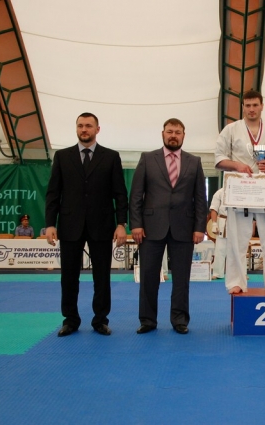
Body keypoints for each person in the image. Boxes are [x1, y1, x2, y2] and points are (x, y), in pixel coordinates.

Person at [45, 112, 128, 337]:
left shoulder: (111, 157)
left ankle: (100, 320)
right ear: (76, 128)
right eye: (80, 125)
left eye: (89, 126)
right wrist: (50, 224)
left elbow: (120, 194)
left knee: (102, 277)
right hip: (69, 224)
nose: (84, 129)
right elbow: (53, 193)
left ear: (97, 129)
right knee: (68, 276)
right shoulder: (62, 156)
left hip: (102, 224)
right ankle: (70, 320)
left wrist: (121, 223)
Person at [129, 118, 207, 335]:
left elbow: (200, 198)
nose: (173, 135)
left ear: (184, 135)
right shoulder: (147, 159)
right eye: (170, 131)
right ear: (163, 133)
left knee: (181, 278)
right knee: (148, 276)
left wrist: (200, 227)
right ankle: (147, 320)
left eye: (178, 132)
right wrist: (136, 224)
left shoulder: (194, 162)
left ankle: (179, 319)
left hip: (184, 227)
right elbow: (136, 195)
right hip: (151, 227)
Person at [215, 90, 265, 295]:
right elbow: (219, 159)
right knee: (237, 239)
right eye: (247, 105)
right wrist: (237, 165)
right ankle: (236, 281)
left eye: (255, 105)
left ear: (262, 106)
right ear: (243, 107)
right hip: (240, 189)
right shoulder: (230, 130)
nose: (251, 109)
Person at [209, 188, 228, 279]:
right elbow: (214, 209)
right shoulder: (220, 192)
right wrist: (214, 223)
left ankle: (241, 273)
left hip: (238, 221)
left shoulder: (240, 189)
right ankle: (217, 273)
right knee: (220, 248)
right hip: (223, 220)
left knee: (238, 248)